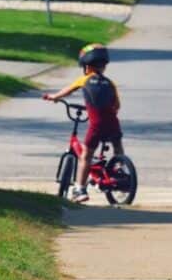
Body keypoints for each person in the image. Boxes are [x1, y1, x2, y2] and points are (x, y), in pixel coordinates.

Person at [42, 43, 123, 203]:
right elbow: (117, 105)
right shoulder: (110, 83)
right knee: (117, 145)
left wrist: (54, 97)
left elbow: (68, 90)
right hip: (113, 122)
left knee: (86, 155)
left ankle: (80, 189)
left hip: (97, 124)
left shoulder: (84, 79)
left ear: (86, 66)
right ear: (104, 66)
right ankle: (120, 169)